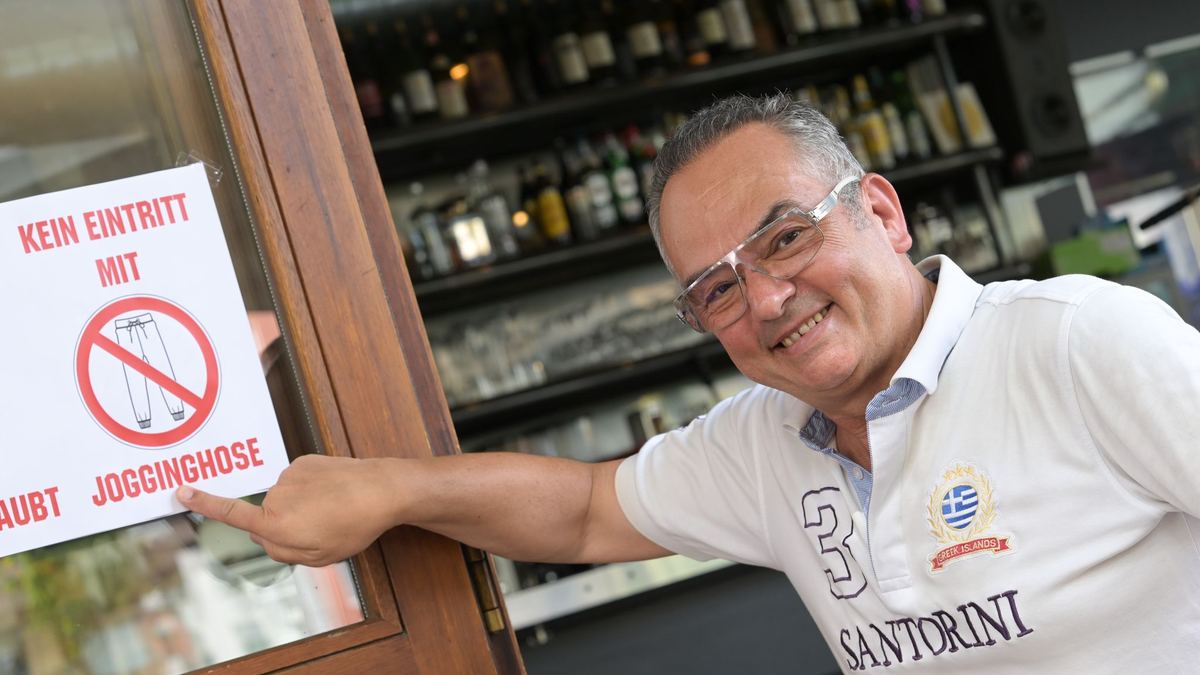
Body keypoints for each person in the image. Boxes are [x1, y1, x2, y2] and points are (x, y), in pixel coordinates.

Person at [177, 93, 1200, 672]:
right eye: (714, 287)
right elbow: (583, 511)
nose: (763, 299)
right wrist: (394, 490)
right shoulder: (768, 440)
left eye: (786, 237)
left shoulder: (1077, 345)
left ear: (882, 213)